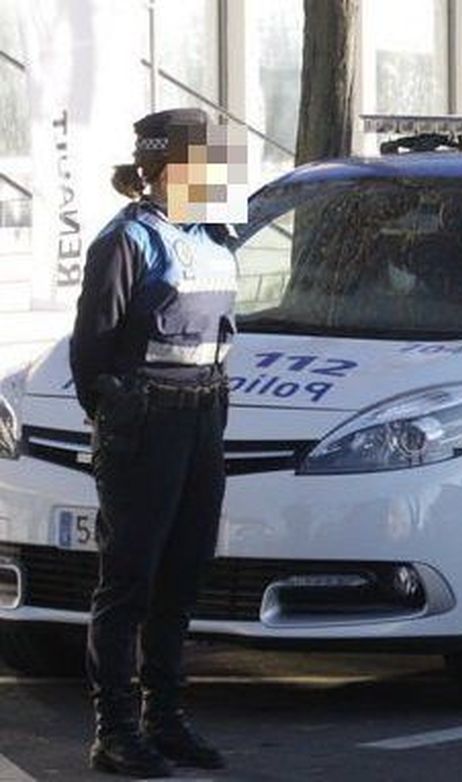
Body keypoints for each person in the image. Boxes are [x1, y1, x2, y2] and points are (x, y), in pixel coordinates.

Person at [71, 108, 241, 777]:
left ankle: (164, 719)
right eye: (208, 164)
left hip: (203, 418)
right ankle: (114, 731)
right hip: (147, 427)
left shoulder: (210, 236)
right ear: (167, 168)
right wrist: (120, 418)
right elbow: (92, 355)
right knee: (130, 581)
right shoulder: (127, 241)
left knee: (183, 574)